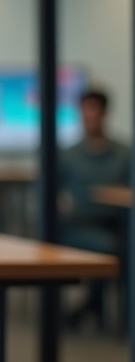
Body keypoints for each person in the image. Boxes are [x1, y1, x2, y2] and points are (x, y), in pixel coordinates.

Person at [60, 88, 130, 329]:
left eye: (95, 110)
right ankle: (93, 307)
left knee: (120, 245)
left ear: (105, 113)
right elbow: (53, 194)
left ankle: (99, 309)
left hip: (116, 223)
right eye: (85, 111)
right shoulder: (68, 155)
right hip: (77, 225)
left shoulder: (123, 153)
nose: (90, 116)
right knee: (108, 247)